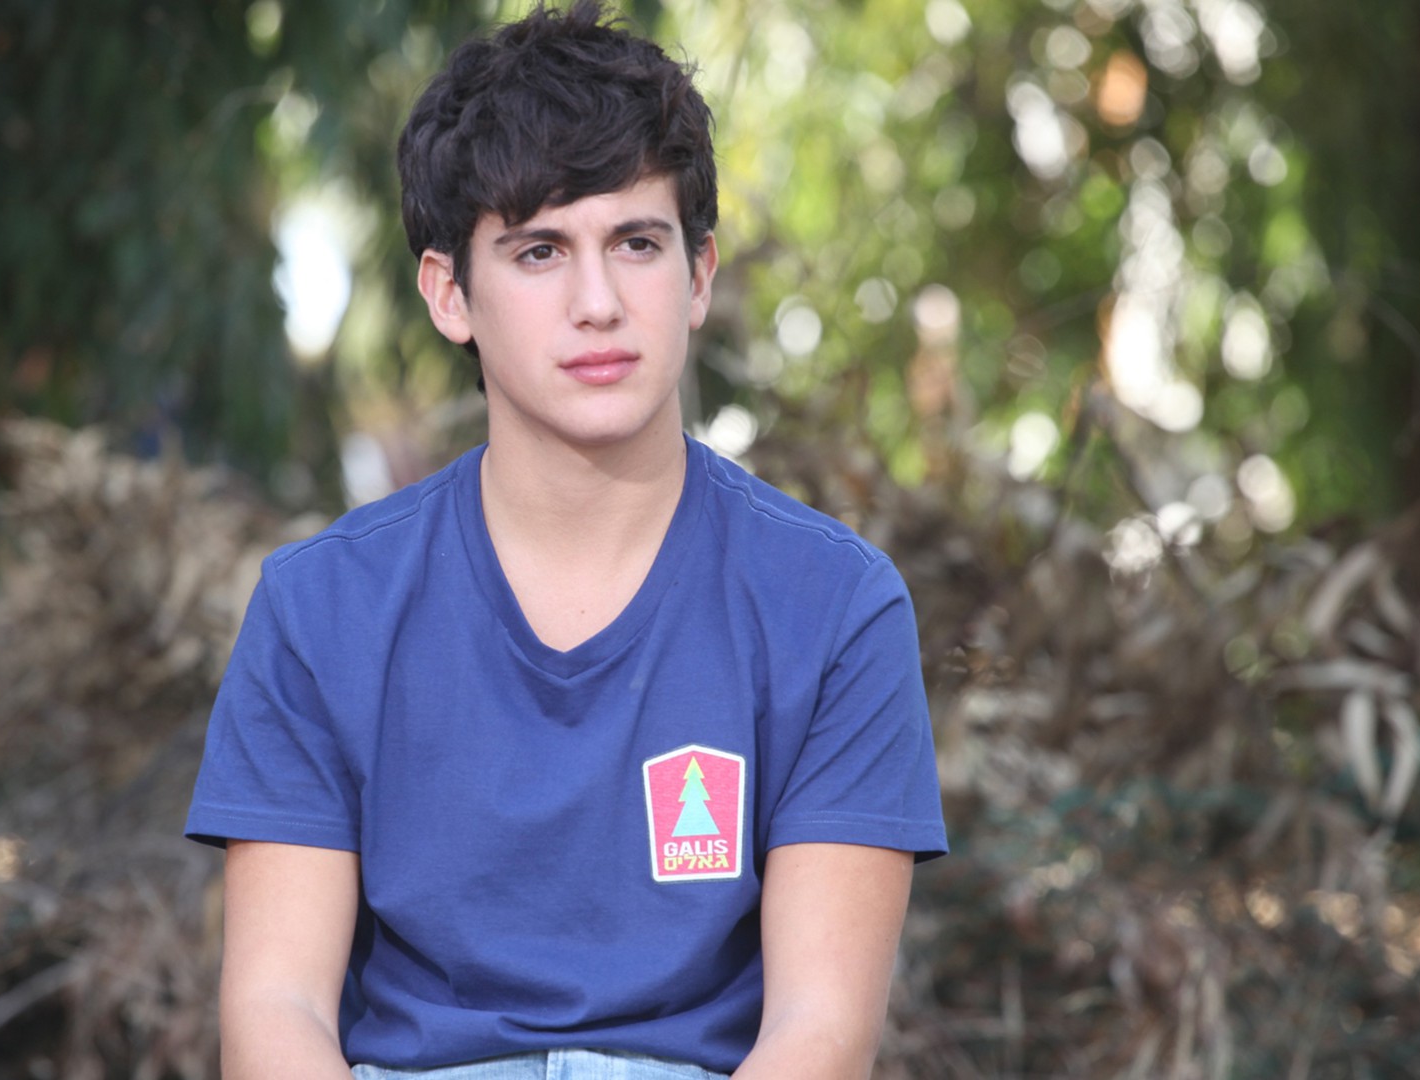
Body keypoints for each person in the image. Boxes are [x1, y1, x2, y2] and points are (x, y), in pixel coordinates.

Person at [184, 3, 947, 1077]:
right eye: (539, 251)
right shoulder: (322, 609)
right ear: (451, 294)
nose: (599, 303)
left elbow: (818, 1037)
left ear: (698, 275)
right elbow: (277, 1013)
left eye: (637, 243)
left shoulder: (834, 606)